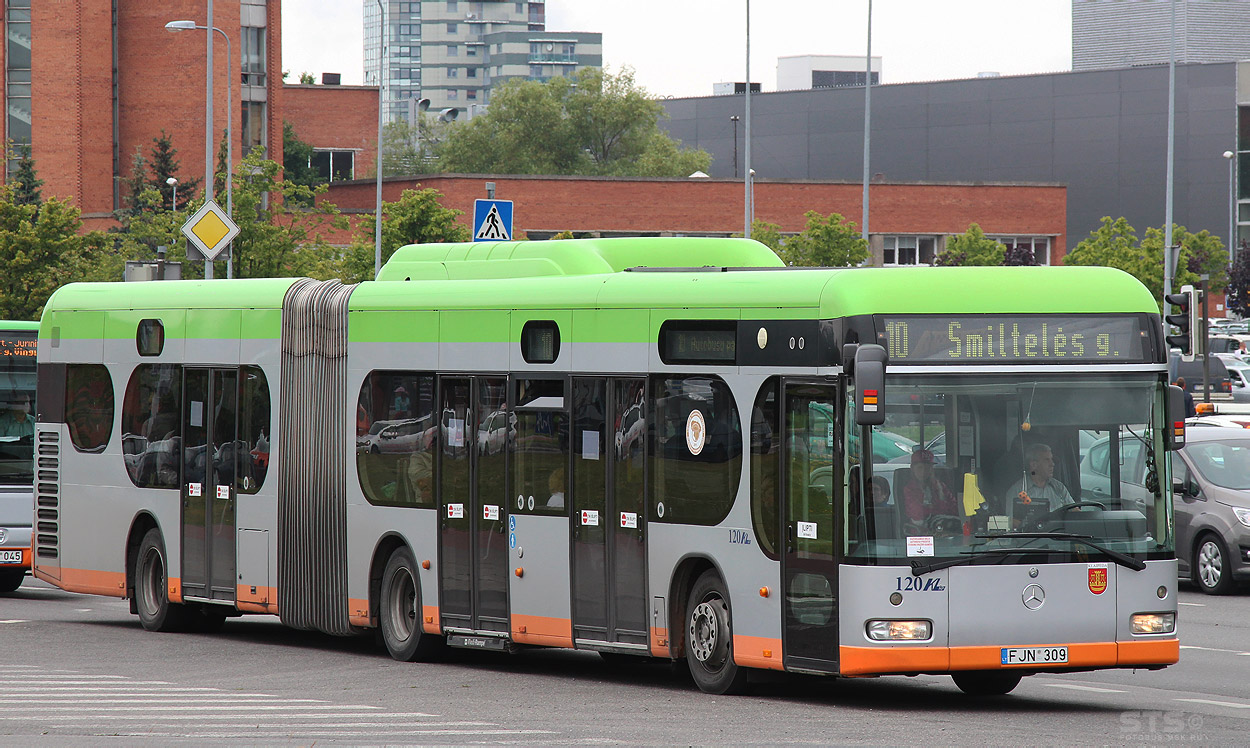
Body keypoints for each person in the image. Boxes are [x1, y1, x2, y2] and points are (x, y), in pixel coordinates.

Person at [1003, 442, 1073, 527]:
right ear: (1033, 465)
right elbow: (1010, 522)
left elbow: (1074, 513)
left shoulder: (1059, 488)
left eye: (1051, 459)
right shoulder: (1017, 491)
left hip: (1058, 537)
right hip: (1029, 539)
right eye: (1047, 460)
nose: (1052, 464)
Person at [900, 449, 959, 530]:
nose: (923, 471)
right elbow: (918, 514)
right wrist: (939, 507)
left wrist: (933, 506)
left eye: (927, 468)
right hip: (919, 533)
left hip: (944, 529)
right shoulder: (909, 489)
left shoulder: (941, 486)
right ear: (912, 468)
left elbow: (955, 509)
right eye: (920, 467)